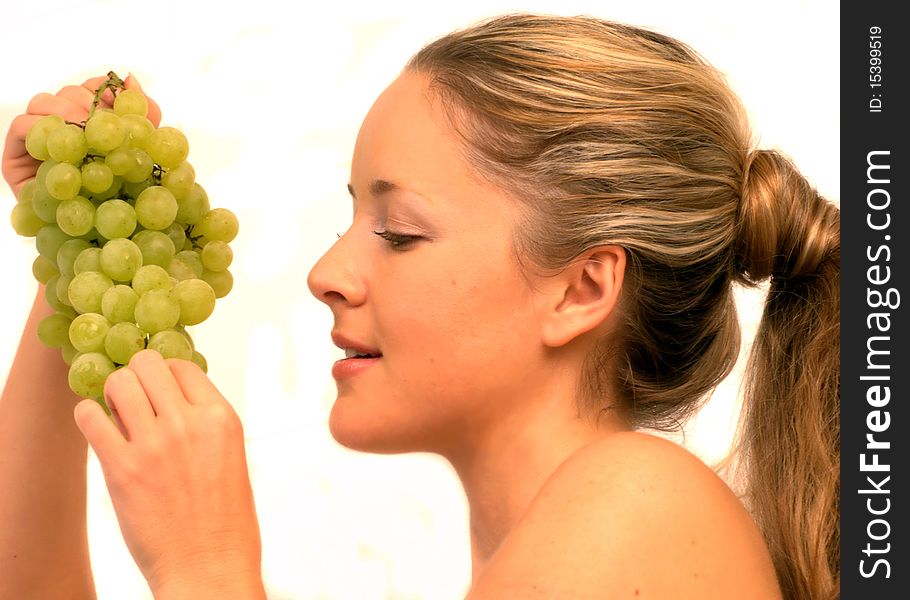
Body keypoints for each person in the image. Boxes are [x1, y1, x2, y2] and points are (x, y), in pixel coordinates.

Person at [0, 13, 839, 600]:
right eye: (350, 217)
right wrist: (78, 260)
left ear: (582, 288)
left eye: (398, 232)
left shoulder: (639, 500)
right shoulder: (572, 544)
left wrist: (205, 566)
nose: (327, 271)